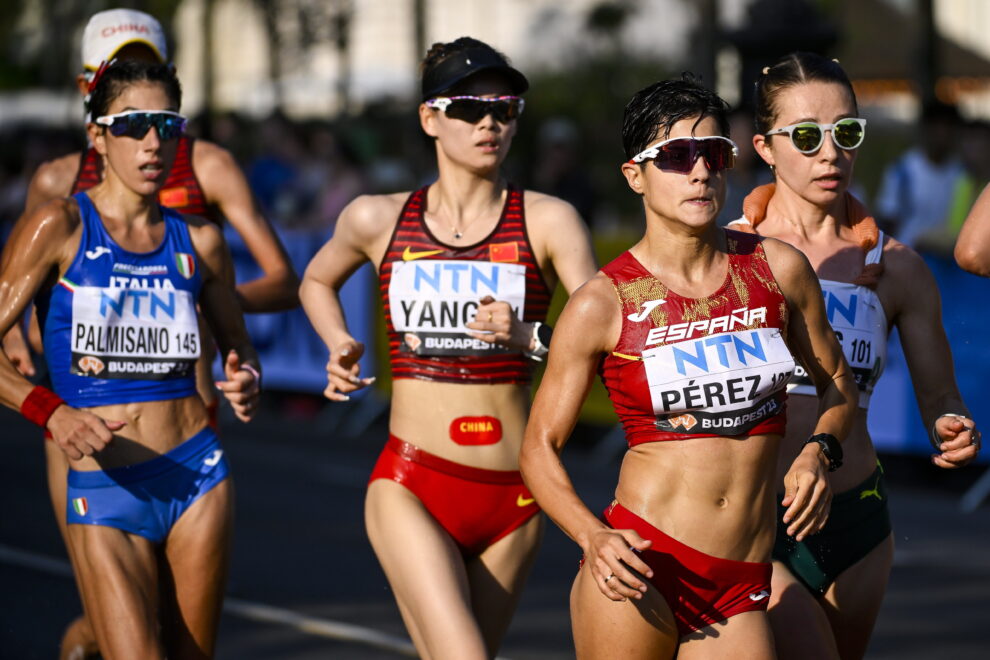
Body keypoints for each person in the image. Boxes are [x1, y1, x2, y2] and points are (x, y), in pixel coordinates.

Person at [519, 75, 858, 659]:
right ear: (635, 176)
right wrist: (593, 536)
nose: (700, 171)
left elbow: (839, 387)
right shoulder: (602, 301)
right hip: (640, 570)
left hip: (739, 581)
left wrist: (819, 452)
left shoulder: (779, 269)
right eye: (676, 156)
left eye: (714, 152)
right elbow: (539, 447)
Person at [1, 11, 296, 656]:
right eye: (132, 127)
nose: (152, 144)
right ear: (98, 136)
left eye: (166, 127)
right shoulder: (59, 220)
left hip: (198, 473)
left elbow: (239, 344)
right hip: (103, 476)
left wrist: (242, 374)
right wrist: (48, 412)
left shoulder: (203, 242)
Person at [299, 37, 597, 659]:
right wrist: (338, 342)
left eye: (505, 108)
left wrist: (527, 337)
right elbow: (317, 279)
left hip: (516, 494)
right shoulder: (376, 218)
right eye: (468, 108)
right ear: (430, 118)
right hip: (413, 481)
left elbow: (606, 333)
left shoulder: (548, 220)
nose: (490, 122)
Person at [728, 52, 980, 659]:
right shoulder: (727, 254)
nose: (830, 153)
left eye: (847, 132)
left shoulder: (896, 267)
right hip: (755, 516)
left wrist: (951, 424)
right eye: (808, 136)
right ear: (765, 147)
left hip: (857, 519)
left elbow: (940, 395)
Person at [874, 100, 963, 253]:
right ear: (926, 130)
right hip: (909, 257)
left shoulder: (962, 172)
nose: (943, 133)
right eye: (937, 126)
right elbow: (888, 219)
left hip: (950, 262)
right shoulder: (903, 170)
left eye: (949, 126)